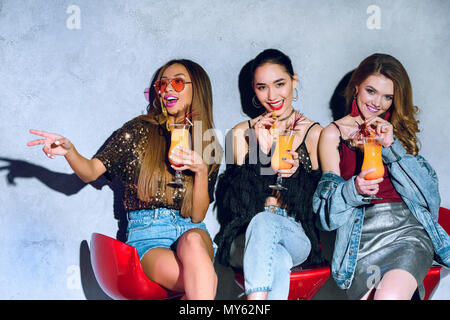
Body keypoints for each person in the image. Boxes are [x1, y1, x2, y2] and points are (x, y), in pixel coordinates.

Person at [27, 59, 223, 300]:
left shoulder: (208, 142)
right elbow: (90, 171)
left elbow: (198, 215)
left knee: (194, 244)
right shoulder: (138, 130)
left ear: (197, 89)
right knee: (204, 281)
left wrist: (201, 171)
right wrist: (69, 151)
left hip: (192, 230)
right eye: (162, 85)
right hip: (150, 236)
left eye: (178, 82)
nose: (169, 89)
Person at [314, 53, 450, 300]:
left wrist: (391, 146)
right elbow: (327, 215)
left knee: (389, 296)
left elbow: (429, 197)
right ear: (356, 87)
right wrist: (353, 189)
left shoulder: (396, 131)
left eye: (388, 96)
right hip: (359, 242)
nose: (378, 103)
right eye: (371, 91)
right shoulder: (333, 134)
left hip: (407, 233)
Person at [214, 49, 325, 300]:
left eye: (280, 84)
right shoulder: (243, 132)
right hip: (245, 235)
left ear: (294, 81)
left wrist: (297, 176)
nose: (272, 95)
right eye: (262, 87)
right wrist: (261, 154)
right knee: (276, 259)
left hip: (296, 234)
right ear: (253, 90)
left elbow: (321, 207)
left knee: (267, 223)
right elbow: (234, 205)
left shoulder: (315, 133)